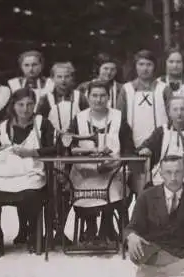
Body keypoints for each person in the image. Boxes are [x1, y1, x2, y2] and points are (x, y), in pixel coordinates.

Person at [0, 88, 56, 257]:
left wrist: (32, 152)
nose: (25, 109)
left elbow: (54, 148)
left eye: (30, 104)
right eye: (21, 104)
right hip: (5, 173)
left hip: (31, 172)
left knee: (30, 194)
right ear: (13, 106)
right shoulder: (1, 126)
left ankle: (31, 232)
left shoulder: (42, 123)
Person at [67, 81, 134, 245]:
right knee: (83, 189)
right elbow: (69, 146)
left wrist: (116, 162)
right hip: (85, 172)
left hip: (113, 171)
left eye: (102, 95)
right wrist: (87, 153)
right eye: (94, 96)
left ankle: (105, 228)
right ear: (87, 97)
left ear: (109, 97)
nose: (98, 99)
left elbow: (128, 147)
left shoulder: (118, 117)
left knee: (115, 190)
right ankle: (90, 228)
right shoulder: (79, 118)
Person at [116, 50, 171, 194]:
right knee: (135, 188)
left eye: (149, 64)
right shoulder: (126, 89)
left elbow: (172, 115)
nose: (145, 68)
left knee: (158, 188)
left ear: (154, 67)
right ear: (135, 66)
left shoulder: (163, 88)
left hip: (160, 146)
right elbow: (119, 118)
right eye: (141, 64)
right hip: (133, 146)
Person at [137, 96, 184, 188]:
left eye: (183, 109)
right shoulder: (162, 131)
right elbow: (144, 146)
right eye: (175, 109)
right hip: (166, 171)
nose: (179, 113)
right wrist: (145, 149)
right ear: (169, 112)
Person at [36, 62, 88, 133]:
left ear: (72, 78)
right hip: (52, 139)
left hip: (77, 137)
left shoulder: (79, 96)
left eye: (67, 76)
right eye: (59, 77)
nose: (63, 80)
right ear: (52, 78)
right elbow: (39, 121)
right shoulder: (46, 98)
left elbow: (87, 117)